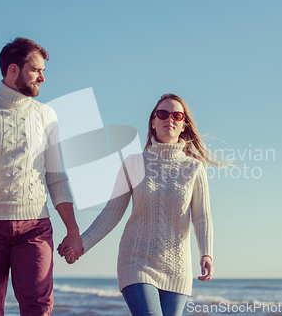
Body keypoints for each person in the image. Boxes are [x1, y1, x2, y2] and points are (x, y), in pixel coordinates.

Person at [0, 37, 83, 316]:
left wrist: (73, 230)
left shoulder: (47, 115)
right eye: (36, 70)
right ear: (14, 69)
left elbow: (57, 177)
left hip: (35, 225)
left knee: (38, 307)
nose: (42, 78)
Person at [59, 94, 216, 316]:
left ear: (183, 125)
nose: (169, 119)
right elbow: (112, 212)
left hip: (177, 267)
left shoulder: (194, 168)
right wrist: (82, 244)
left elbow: (202, 216)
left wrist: (206, 253)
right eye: (162, 114)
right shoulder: (134, 163)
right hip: (136, 261)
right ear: (153, 122)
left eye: (176, 115)